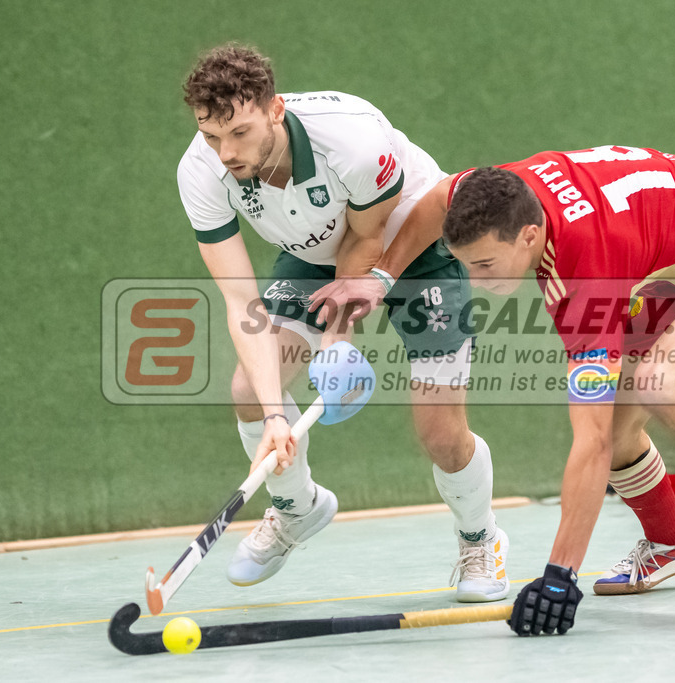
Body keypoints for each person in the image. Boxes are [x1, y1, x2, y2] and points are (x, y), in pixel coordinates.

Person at [319, 143, 675, 634]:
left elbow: (587, 445)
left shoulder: (584, 275)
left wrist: (559, 574)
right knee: (618, 423)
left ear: (527, 236)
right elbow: (438, 198)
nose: (474, 281)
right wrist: (383, 278)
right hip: (669, 269)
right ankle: (670, 540)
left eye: (483, 265)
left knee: (659, 386)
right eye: (463, 265)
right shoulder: (500, 193)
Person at [176, 44, 509, 602]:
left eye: (239, 133)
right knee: (251, 394)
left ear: (274, 109)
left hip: (412, 240)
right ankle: (296, 508)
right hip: (310, 252)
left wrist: (336, 340)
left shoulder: (351, 139)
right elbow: (240, 304)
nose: (226, 151)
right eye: (212, 136)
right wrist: (277, 413)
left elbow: (366, 238)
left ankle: (482, 538)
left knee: (438, 432)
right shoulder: (201, 170)